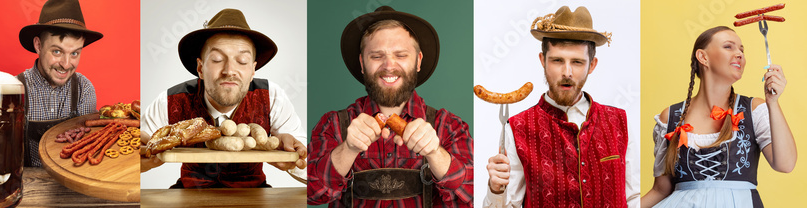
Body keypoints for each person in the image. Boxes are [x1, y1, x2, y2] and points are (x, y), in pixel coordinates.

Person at [307, 6, 474, 207]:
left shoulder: (449, 127)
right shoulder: (332, 124)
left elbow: (473, 194)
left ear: (418, 61)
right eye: (377, 56)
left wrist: (435, 153)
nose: (388, 66)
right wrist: (348, 150)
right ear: (362, 63)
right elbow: (312, 194)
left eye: (401, 55)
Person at [483, 6, 639, 207]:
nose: (567, 72)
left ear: (592, 65)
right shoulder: (517, 127)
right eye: (557, 60)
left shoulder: (619, 121)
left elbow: (634, 198)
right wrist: (495, 189)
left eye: (577, 62)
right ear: (543, 61)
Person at [138, 8, 308, 188]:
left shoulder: (273, 97)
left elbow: (311, 170)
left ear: (252, 71)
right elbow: (134, 152)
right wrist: (140, 162)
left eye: (242, 61)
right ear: (200, 68)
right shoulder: (170, 100)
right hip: (188, 195)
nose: (229, 70)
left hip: (256, 195)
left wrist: (291, 157)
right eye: (218, 59)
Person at [640, 26, 796, 208]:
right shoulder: (670, 117)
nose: (739, 54)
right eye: (729, 47)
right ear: (703, 57)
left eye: (742, 50)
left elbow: (785, 164)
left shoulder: (754, 109)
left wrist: (773, 102)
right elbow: (661, 190)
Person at [17, 0, 103, 167]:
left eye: (75, 53)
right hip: (27, 185)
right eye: (57, 51)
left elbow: (87, 148)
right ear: (38, 45)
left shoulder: (84, 89)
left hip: (74, 182)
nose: (66, 64)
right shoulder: (15, 89)